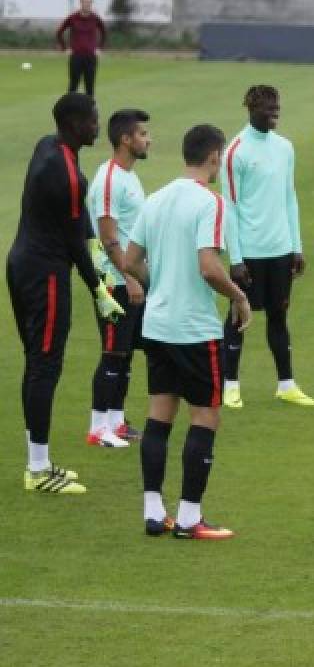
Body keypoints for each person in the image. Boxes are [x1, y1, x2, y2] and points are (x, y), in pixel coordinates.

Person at [123, 124, 252, 539]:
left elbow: (129, 261)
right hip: (195, 329)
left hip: (157, 325)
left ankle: (154, 512)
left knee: (159, 415)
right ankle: (192, 518)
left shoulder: (156, 198)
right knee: (205, 415)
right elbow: (209, 267)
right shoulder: (210, 203)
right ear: (215, 157)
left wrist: (157, 281)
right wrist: (238, 297)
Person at [7, 93, 124, 494]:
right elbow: (76, 242)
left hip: (20, 263)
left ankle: (37, 462)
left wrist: (99, 265)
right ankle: (38, 470)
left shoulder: (48, 146)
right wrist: (100, 290)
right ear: (76, 124)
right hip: (46, 276)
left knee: (35, 362)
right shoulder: (70, 175)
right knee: (46, 366)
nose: (97, 126)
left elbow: (82, 226)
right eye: (93, 120)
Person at [219, 85, 314, 408]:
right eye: (268, 108)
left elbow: (290, 198)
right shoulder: (236, 151)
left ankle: (286, 384)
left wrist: (296, 246)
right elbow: (229, 207)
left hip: (281, 250)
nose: (275, 112)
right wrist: (236, 257)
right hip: (250, 253)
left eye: (277, 107)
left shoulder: (285, 148)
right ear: (251, 108)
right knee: (238, 317)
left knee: (279, 317)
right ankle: (229, 385)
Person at [85, 109, 151, 449]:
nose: (148, 139)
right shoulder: (109, 178)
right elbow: (109, 238)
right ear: (125, 139)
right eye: (142, 134)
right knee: (112, 352)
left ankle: (116, 421)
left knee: (125, 353)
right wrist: (131, 278)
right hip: (114, 283)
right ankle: (98, 429)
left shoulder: (129, 176)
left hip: (130, 280)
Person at [56, 0, 106, 98]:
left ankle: (90, 109)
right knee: (73, 84)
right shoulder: (73, 18)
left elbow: (104, 32)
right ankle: (69, 107)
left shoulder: (95, 18)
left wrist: (100, 48)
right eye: (85, 3)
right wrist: (65, 48)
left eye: (89, 3)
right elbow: (59, 32)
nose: (87, 5)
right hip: (76, 56)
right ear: (81, 3)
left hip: (90, 56)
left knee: (90, 85)